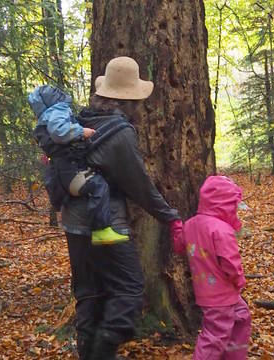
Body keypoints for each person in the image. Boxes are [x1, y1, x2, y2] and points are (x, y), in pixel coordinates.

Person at [58, 56, 183, 360]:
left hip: (74, 222)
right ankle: (103, 351)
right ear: (129, 100)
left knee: (89, 293)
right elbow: (137, 183)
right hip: (106, 223)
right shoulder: (120, 133)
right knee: (129, 289)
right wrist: (170, 217)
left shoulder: (81, 120)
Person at [28, 85, 128, 244]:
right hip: (71, 173)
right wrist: (81, 132)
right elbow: (60, 132)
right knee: (99, 185)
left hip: (65, 173)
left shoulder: (45, 118)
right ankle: (101, 229)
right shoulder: (56, 112)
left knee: (95, 183)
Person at [173, 175, 251, 360]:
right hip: (221, 296)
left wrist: (177, 226)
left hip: (212, 293)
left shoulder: (191, 224)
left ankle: (233, 356)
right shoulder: (222, 230)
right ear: (225, 204)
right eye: (234, 204)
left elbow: (179, 246)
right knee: (215, 335)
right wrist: (239, 280)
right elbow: (230, 262)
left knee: (242, 316)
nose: (236, 209)